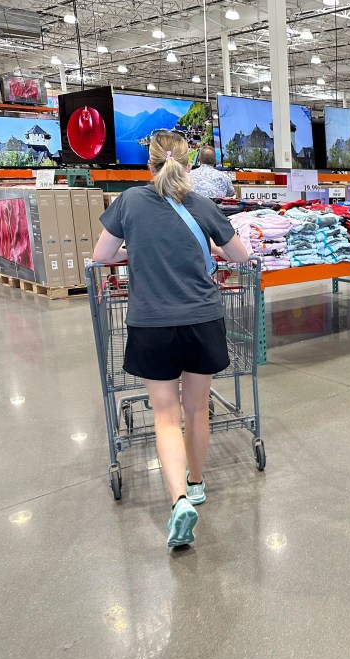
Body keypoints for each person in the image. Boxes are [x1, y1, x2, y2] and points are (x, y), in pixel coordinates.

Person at [92, 131, 249, 548]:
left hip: (151, 323)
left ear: (149, 164)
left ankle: (178, 499)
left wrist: (134, 253)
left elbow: (101, 256)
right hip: (202, 320)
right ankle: (197, 483)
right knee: (197, 409)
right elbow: (242, 257)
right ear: (189, 165)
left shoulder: (128, 202)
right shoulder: (203, 205)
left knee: (165, 414)